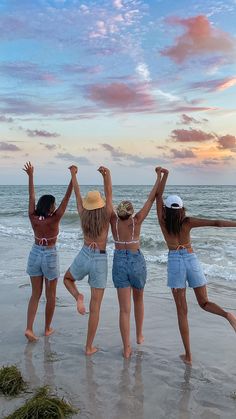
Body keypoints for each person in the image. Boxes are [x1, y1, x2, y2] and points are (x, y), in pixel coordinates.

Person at [156, 168, 236, 365]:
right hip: (191, 259)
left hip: (175, 260)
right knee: (204, 302)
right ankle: (228, 315)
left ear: (166, 210)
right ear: (182, 209)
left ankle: (189, 355)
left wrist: (162, 175)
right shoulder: (188, 222)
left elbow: (158, 196)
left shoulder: (163, 221)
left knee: (182, 311)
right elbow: (216, 223)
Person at [110, 167, 162, 358]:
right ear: (131, 213)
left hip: (119, 261)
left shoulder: (113, 221)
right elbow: (151, 198)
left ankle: (126, 349)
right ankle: (139, 335)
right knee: (139, 299)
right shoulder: (137, 221)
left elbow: (108, 198)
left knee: (124, 309)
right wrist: (158, 177)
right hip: (136, 261)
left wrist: (107, 176)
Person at [63, 165, 113, 356]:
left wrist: (74, 174)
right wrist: (106, 176)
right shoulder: (107, 213)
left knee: (67, 279)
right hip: (100, 258)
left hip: (84, 253)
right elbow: (109, 193)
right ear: (100, 203)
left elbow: (77, 193)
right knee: (96, 307)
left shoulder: (83, 213)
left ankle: (78, 296)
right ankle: (88, 346)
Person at [23, 162, 73, 342]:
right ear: (51, 206)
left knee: (35, 294)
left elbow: (31, 196)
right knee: (50, 295)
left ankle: (29, 328)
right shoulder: (55, 218)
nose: (55, 206)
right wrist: (73, 178)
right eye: (53, 204)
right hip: (50, 255)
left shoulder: (33, 216)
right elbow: (67, 199)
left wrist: (30, 176)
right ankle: (47, 328)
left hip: (35, 253)